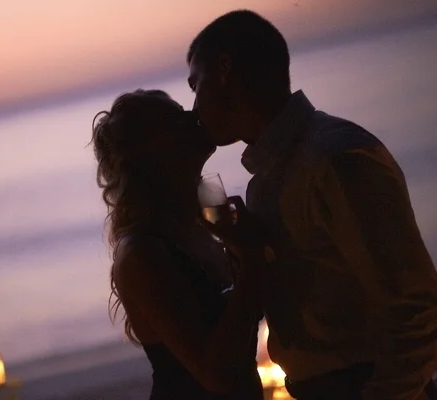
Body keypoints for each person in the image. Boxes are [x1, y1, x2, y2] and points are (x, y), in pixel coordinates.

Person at [187, 9, 437, 400]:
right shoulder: (267, 182)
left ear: (224, 70)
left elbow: (417, 309)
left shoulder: (335, 158)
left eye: (195, 85)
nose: (194, 107)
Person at [91, 89, 264, 399]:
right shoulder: (142, 253)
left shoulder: (201, 220)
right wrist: (250, 261)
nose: (193, 116)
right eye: (174, 118)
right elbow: (215, 376)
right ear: (148, 153)